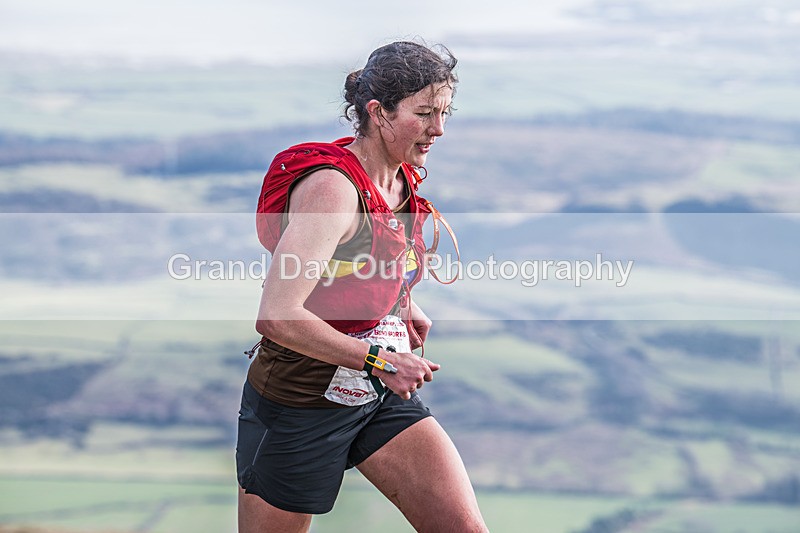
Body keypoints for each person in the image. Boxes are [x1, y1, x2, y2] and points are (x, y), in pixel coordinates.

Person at [236, 40, 488, 533]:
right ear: (378, 112)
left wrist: (402, 305)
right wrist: (383, 360)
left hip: (375, 393)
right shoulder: (332, 191)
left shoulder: (399, 179)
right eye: (424, 113)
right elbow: (278, 315)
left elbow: (364, 261)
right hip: (301, 399)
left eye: (445, 112)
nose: (439, 128)